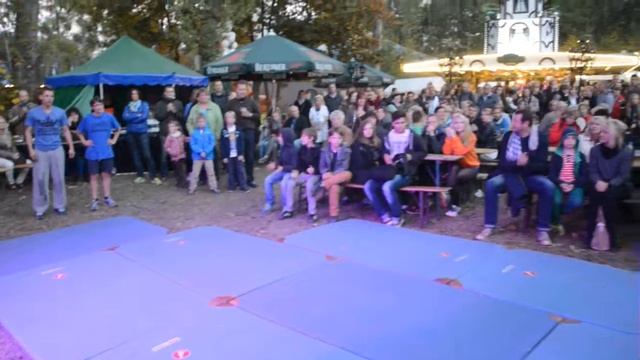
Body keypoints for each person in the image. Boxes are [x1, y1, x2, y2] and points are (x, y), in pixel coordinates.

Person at [475, 110, 554, 245]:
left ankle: (543, 230)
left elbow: (543, 167)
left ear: (526, 123)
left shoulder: (540, 138)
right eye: (513, 120)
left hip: (530, 176)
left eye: (517, 121)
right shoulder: (508, 137)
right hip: (510, 174)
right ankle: (489, 226)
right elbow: (502, 163)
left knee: (548, 186)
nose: (513, 124)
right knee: (491, 184)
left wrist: (526, 164)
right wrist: (516, 163)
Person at [364, 111, 426, 227]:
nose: (400, 125)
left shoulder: (412, 136)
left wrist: (411, 156)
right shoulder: (387, 136)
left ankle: (397, 216)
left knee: (387, 187)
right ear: (393, 124)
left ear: (406, 123)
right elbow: (383, 151)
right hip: (388, 170)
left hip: (406, 171)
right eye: (397, 123)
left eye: (403, 123)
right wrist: (385, 154)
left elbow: (423, 152)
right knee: (369, 186)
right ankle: (383, 214)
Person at [25, 86, 75, 219]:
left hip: (56, 148)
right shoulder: (33, 113)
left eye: (51, 96)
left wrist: (71, 147)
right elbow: (28, 132)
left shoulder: (60, 112)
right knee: (40, 180)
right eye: (46, 96)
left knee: (59, 179)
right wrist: (30, 149)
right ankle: (40, 208)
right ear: (41, 97)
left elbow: (65, 130)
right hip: (40, 149)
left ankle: (60, 205)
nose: (49, 99)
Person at [585, 120, 632, 250]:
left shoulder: (625, 151)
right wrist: (598, 181)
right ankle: (590, 236)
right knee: (595, 194)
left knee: (609, 196)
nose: (601, 134)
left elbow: (624, 176)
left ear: (614, 134)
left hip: (618, 184)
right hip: (599, 182)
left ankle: (613, 238)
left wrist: (609, 184)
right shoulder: (595, 150)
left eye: (605, 132)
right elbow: (592, 171)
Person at [77, 97, 121, 211]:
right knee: (94, 176)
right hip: (92, 151)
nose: (99, 107)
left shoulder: (109, 117)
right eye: (96, 105)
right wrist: (84, 141)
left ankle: (107, 197)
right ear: (92, 107)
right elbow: (78, 131)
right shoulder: (87, 119)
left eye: (100, 105)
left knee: (106, 175)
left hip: (106, 151)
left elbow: (118, 128)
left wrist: (114, 139)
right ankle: (94, 200)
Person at [549, 128, 587, 235]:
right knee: (556, 201)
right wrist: (560, 183)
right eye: (567, 138)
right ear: (562, 140)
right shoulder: (557, 155)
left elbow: (584, 175)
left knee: (576, 202)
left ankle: (562, 215)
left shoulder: (581, 156)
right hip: (559, 183)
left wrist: (573, 184)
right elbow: (552, 174)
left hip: (575, 184)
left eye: (573, 138)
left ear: (576, 141)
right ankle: (556, 223)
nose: (570, 141)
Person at [442, 114, 480, 217]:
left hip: (471, 166)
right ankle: (454, 203)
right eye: (455, 123)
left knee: (458, 177)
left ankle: (452, 200)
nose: (458, 125)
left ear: (465, 124)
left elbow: (460, 152)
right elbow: (446, 152)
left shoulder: (471, 136)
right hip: (458, 164)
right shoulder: (452, 136)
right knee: (453, 172)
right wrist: (450, 138)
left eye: (461, 122)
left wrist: (453, 137)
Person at [280, 128, 321, 222]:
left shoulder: (318, 150)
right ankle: (288, 209)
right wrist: (296, 171)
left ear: (311, 138)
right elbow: (299, 165)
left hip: (315, 175)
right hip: (304, 174)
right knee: (290, 183)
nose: (301, 138)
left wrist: (315, 169)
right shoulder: (301, 149)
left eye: (304, 137)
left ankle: (312, 212)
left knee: (309, 186)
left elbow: (321, 166)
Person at [123, 88, 161, 185]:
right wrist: (137, 116)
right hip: (131, 132)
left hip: (142, 131)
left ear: (139, 95)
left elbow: (144, 116)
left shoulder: (144, 104)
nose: (134, 95)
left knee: (147, 154)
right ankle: (140, 175)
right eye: (132, 94)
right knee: (135, 154)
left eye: (136, 94)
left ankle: (153, 176)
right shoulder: (127, 106)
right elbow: (124, 117)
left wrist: (132, 117)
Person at [227, 80, 260, 188]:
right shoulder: (231, 103)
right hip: (235, 132)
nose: (241, 91)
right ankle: (238, 179)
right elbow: (227, 117)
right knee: (236, 156)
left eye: (244, 89)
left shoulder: (252, 102)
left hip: (249, 130)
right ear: (236, 90)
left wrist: (250, 115)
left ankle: (250, 179)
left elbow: (258, 116)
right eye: (239, 89)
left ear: (247, 90)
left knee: (249, 156)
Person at [187, 88, 224, 182]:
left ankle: (215, 178)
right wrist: (192, 134)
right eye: (201, 95)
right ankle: (203, 178)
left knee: (213, 157)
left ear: (208, 96)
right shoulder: (194, 108)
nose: (204, 97)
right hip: (198, 138)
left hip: (211, 137)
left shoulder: (215, 107)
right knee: (199, 158)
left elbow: (219, 122)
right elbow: (189, 122)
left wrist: (217, 135)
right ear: (198, 98)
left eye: (206, 95)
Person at [319, 128, 352, 222]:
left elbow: (344, 167)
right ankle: (334, 215)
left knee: (348, 174)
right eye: (334, 138)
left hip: (341, 176)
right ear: (329, 139)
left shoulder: (346, 151)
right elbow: (322, 167)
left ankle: (326, 183)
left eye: (339, 138)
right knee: (334, 187)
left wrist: (332, 176)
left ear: (342, 140)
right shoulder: (324, 151)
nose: (336, 140)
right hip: (329, 176)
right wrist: (328, 174)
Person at [263, 128, 297, 213]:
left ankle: (286, 206)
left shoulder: (294, 150)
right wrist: (275, 165)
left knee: (284, 183)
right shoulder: (282, 148)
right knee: (268, 180)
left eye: (280, 136)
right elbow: (281, 161)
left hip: (290, 172)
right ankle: (270, 202)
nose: (278, 138)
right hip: (282, 171)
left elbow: (294, 166)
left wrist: (282, 168)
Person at [154, 86, 184, 179]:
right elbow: (158, 117)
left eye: (172, 91)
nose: (171, 93)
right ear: (165, 93)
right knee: (164, 155)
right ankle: (164, 174)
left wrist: (174, 111)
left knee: (179, 154)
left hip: (177, 134)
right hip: (165, 133)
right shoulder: (160, 104)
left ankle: (179, 174)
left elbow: (182, 117)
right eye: (169, 91)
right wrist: (167, 111)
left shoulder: (178, 103)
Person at [188, 115, 220, 194]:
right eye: (199, 122)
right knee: (195, 173)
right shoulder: (194, 133)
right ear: (197, 123)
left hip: (208, 156)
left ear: (205, 122)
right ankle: (192, 188)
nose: (201, 123)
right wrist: (200, 152)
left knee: (211, 173)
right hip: (197, 157)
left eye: (202, 121)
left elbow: (212, 143)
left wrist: (206, 152)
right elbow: (193, 144)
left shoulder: (209, 132)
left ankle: (214, 187)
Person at [350, 118, 386, 185]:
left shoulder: (377, 142)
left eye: (370, 128)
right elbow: (360, 164)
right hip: (360, 174)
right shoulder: (357, 145)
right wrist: (375, 163)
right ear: (361, 131)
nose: (368, 131)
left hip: (374, 171)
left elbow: (381, 160)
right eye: (365, 129)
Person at [220, 111, 249, 192]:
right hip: (229, 155)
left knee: (240, 170)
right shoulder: (224, 131)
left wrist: (241, 153)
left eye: (230, 117)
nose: (228, 119)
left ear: (234, 119)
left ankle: (243, 185)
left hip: (238, 154)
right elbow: (222, 144)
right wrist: (224, 156)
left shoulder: (239, 130)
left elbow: (242, 143)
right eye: (227, 118)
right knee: (230, 171)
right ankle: (231, 186)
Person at [0, 116, 31, 190]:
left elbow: (13, 146)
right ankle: (11, 183)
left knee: (28, 163)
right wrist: (11, 155)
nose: (2, 124)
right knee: (9, 164)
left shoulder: (7, 132)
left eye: (3, 122)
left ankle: (19, 181)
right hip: (2, 157)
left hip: (10, 155)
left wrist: (16, 153)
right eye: (0, 122)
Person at [163, 120, 188, 189]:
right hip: (174, 157)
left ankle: (184, 182)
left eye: (173, 126)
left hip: (182, 155)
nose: (171, 128)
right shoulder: (169, 137)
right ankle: (179, 182)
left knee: (182, 169)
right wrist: (171, 152)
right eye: (170, 127)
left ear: (177, 127)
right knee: (177, 170)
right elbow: (166, 146)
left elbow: (185, 139)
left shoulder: (181, 135)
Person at [65, 107, 86, 184]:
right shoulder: (67, 124)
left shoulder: (82, 122)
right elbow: (63, 134)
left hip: (81, 145)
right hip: (69, 145)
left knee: (79, 157)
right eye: (72, 115)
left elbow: (84, 133)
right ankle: (70, 177)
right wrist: (68, 124)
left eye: (75, 114)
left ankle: (80, 177)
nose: (74, 116)